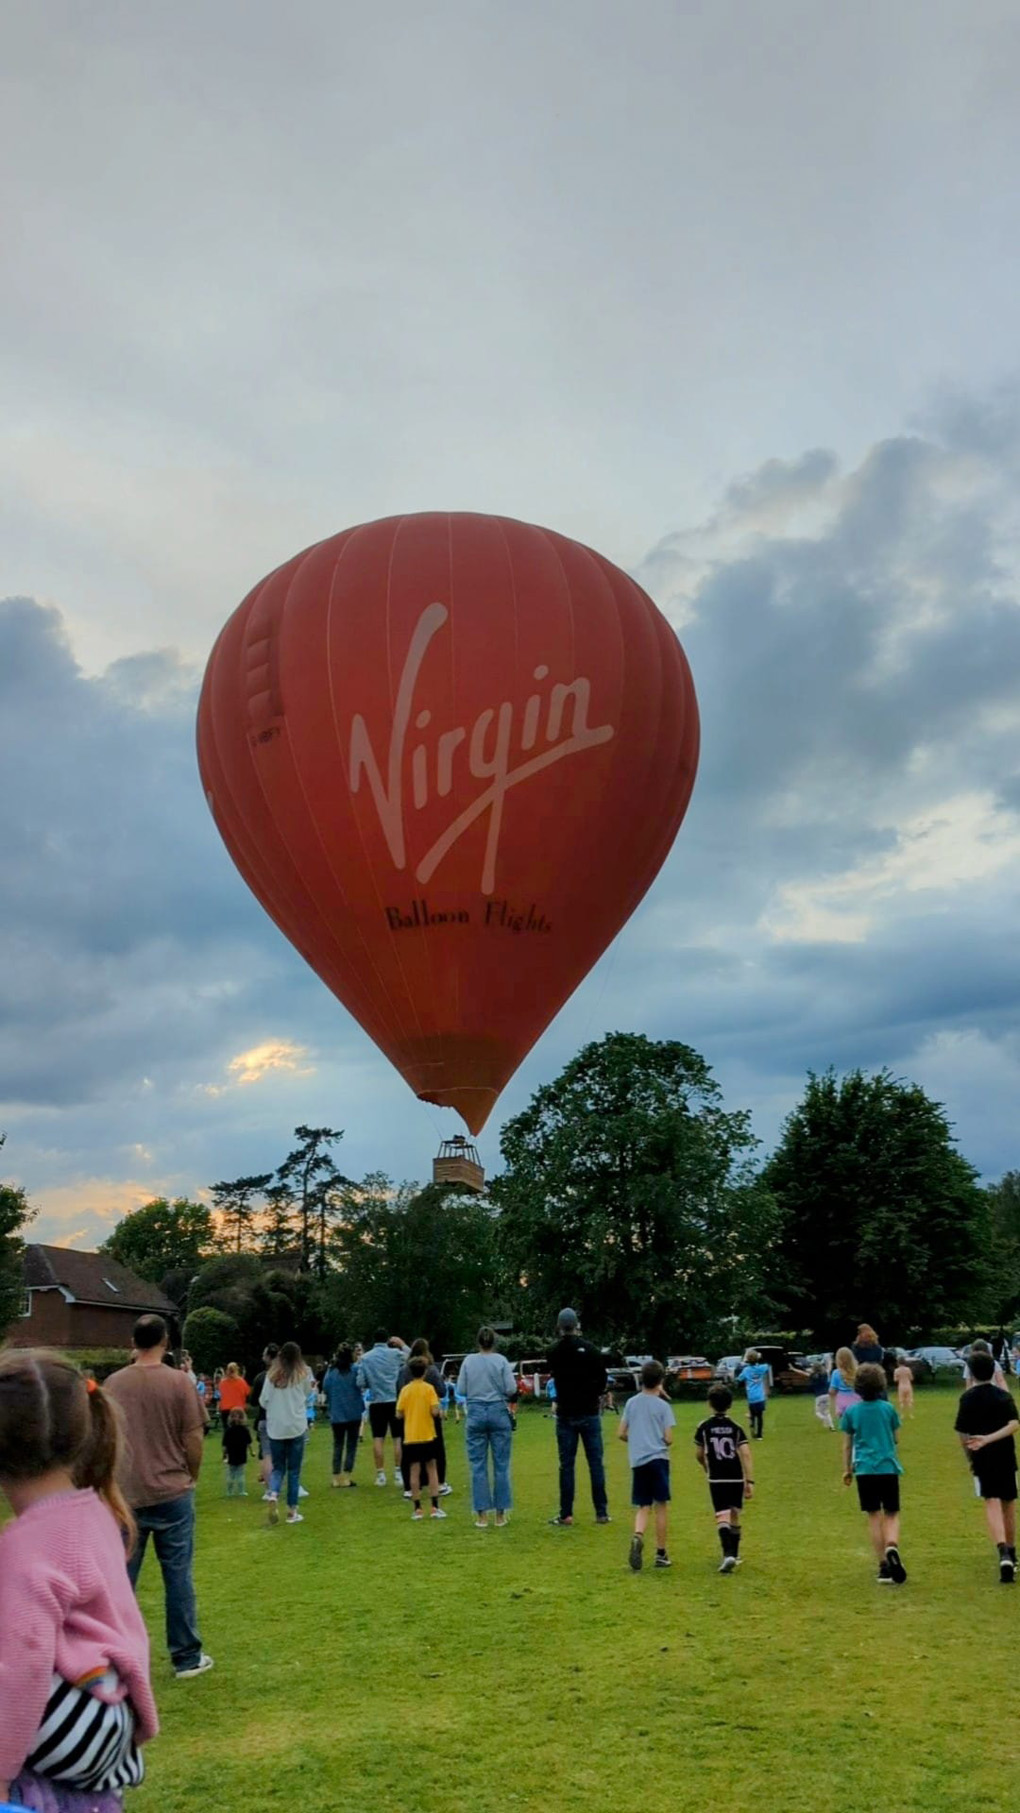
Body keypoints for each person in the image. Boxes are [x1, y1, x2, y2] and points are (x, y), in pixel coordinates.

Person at [0, 1351, 159, 1809]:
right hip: (110, 1720)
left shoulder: (24, 1549)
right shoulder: (95, 1513)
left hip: (72, 1733)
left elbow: (22, 1668)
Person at [105, 1314, 213, 1679]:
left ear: (133, 1342)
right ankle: (186, 1656)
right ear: (165, 1341)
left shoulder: (113, 1384)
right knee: (178, 1575)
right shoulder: (179, 1382)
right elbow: (193, 1438)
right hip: (171, 1490)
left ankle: (115, 1659)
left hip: (126, 1493)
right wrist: (191, 1475)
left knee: (120, 1580)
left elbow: (103, 1438)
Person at [954, 1348, 1019, 1584]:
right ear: (994, 1371)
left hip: (982, 1457)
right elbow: (1014, 1424)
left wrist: (972, 1452)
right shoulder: (1003, 1396)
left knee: (990, 1500)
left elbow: (962, 1431)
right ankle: (1012, 1552)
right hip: (1005, 1456)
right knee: (1008, 1503)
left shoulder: (967, 1398)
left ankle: (1002, 1550)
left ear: (971, 1372)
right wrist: (994, 1437)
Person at [840, 1361, 907, 1585]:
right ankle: (892, 1545)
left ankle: (883, 1567)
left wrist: (847, 1469)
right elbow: (896, 1438)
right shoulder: (888, 1409)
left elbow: (848, 1445)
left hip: (865, 1470)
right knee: (892, 1512)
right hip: (888, 1467)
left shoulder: (851, 1411)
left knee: (873, 1515)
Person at [546, 1308, 610, 1526]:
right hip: (590, 1412)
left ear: (559, 1326)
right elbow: (602, 1381)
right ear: (576, 1325)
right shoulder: (592, 1351)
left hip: (565, 1413)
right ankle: (601, 1512)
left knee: (567, 1465)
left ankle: (566, 1513)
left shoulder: (553, 1351)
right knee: (595, 1464)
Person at [457, 1328, 518, 1529]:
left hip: (475, 1411)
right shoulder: (501, 1361)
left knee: (478, 1465)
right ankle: (500, 1515)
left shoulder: (468, 1361)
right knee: (501, 1465)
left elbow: (461, 1390)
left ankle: (482, 1516)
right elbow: (511, 1389)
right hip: (498, 1411)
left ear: (478, 1343)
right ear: (494, 1342)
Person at [619, 1360, 675, 1571]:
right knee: (661, 1505)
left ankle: (638, 1535)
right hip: (659, 1460)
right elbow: (669, 1438)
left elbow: (621, 1433)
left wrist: (636, 1440)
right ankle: (661, 1553)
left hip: (639, 1461)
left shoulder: (632, 1403)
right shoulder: (663, 1406)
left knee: (643, 1506)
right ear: (661, 1381)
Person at [694, 1384, 754, 1574]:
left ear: (709, 1404)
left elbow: (699, 1453)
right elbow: (745, 1453)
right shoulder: (736, 1428)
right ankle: (734, 1555)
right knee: (735, 1512)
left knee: (721, 1515)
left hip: (717, 1478)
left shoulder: (704, 1427)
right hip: (735, 1477)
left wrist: (705, 1466)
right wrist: (749, 1480)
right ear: (730, 1405)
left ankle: (727, 1553)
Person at [261, 1342, 313, 1525]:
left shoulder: (271, 1376)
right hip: (296, 1426)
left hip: (276, 1428)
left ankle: (273, 1493)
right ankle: (292, 1511)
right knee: (294, 1471)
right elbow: (307, 1395)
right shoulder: (302, 1375)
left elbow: (263, 1401)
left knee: (278, 1468)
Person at [398, 1340, 452, 1498]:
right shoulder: (432, 1370)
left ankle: (410, 1486)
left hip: (410, 1417)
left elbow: (399, 1391)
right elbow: (441, 1391)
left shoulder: (403, 1371)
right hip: (429, 1417)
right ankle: (439, 1483)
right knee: (435, 1453)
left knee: (409, 1454)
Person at [396, 1356, 446, 1520]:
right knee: (432, 1469)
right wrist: (437, 1410)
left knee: (414, 1471)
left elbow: (399, 1413)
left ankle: (417, 1508)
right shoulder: (429, 1389)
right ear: (425, 1371)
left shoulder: (405, 1390)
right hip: (427, 1434)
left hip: (411, 1436)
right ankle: (434, 1506)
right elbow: (434, 1411)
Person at [356, 1329, 409, 1486]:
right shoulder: (395, 1354)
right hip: (394, 1400)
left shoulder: (366, 1358)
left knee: (378, 1438)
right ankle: (398, 1472)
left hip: (377, 1401)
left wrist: (371, 1382)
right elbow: (414, 1357)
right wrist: (403, 1344)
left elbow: (360, 1382)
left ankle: (380, 1474)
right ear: (387, 1340)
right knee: (397, 1438)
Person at [323, 1345, 364, 1487]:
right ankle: (347, 1476)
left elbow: (325, 1387)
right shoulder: (355, 1370)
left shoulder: (332, 1371)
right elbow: (361, 1384)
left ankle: (335, 1477)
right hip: (354, 1412)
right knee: (351, 1446)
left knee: (338, 1445)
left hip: (337, 1413)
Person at [736, 1349, 771, 1439]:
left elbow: (739, 1379)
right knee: (760, 1416)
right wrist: (759, 1358)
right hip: (760, 1396)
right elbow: (767, 1365)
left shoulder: (746, 1370)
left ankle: (752, 1425)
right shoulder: (761, 1368)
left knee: (753, 1414)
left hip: (751, 1396)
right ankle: (759, 1435)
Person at [222, 1408, 252, 1496]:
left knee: (231, 1473)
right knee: (240, 1473)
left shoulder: (228, 1431)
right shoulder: (245, 1430)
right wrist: (251, 1452)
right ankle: (241, 1491)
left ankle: (229, 1491)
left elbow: (225, 1445)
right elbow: (248, 1443)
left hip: (231, 1453)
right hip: (242, 1453)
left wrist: (224, 1454)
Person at [829, 1348, 860, 1427]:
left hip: (842, 1402)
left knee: (847, 1429)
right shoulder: (858, 1371)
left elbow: (832, 1391)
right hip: (857, 1400)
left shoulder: (836, 1373)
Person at [217, 1362, 250, 1432]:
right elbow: (247, 1393)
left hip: (226, 1409)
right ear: (237, 1370)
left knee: (228, 1432)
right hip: (239, 1409)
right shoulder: (242, 1382)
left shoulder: (222, 1383)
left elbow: (220, 1394)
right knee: (240, 1432)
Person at [810, 1362, 833, 1427]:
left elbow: (803, 1373)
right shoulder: (825, 1374)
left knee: (817, 1412)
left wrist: (793, 1369)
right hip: (827, 1395)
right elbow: (829, 1368)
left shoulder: (813, 1376)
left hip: (819, 1396)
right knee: (826, 1411)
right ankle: (831, 1427)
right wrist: (829, 1361)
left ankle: (824, 1419)